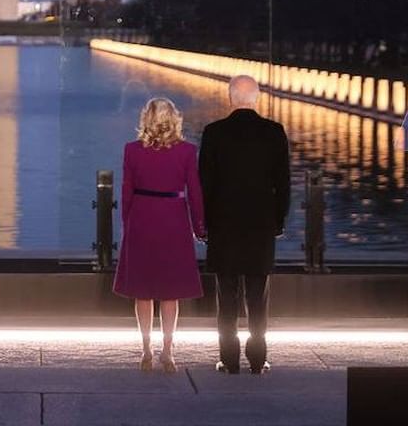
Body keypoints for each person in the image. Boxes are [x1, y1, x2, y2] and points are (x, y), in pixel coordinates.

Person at [198, 75, 291, 375]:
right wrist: (278, 221)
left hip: (224, 226)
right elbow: (284, 184)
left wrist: (203, 224)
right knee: (257, 296)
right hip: (260, 226)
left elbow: (205, 184)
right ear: (257, 97)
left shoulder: (214, 133)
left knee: (226, 296)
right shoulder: (274, 132)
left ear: (230, 98)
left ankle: (229, 359)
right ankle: (258, 358)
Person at [113, 97, 207, 373]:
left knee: (143, 292)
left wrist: (126, 222)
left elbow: (126, 191)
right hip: (174, 219)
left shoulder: (132, 150)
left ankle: (146, 350)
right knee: (170, 292)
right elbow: (195, 192)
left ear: (146, 119)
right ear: (174, 118)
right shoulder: (187, 151)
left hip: (142, 217)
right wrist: (199, 226)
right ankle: (168, 351)